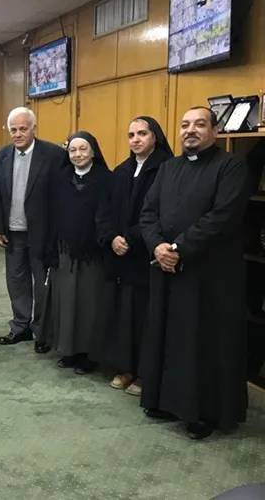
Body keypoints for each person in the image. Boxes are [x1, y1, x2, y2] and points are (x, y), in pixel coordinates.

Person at [139, 106, 251, 440]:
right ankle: (164, 400)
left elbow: (222, 217)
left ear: (215, 131)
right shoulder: (168, 167)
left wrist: (177, 248)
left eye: (200, 124)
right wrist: (157, 246)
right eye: (185, 124)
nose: (191, 130)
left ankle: (203, 412)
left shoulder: (232, 166)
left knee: (201, 341)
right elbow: (148, 213)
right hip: (166, 268)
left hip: (210, 273)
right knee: (167, 336)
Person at [90, 116, 173, 395]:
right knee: (124, 315)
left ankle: (145, 372)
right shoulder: (121, 170)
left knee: (146, 317)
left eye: (142, 134)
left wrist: (131, 238)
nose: (136, 139)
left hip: (146, 256)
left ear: (155, 137)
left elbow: (162, 213)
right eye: (131, 135)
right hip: (120, 257)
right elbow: (103, 211)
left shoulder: (166, 168)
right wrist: (112, 237)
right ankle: (125, 367)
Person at [37, 131, 111, 374]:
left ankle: (90, 354)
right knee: (65, 303)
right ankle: (69, 350)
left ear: (93, 152)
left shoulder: (106, 179)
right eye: (73, 150)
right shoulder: (59, 179)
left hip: (92, 254)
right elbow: (49, 214)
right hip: (64, 252)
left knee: (90, 304)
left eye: (83, 149)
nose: (78, 154)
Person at [0, 106, 64, 350]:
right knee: (16, 280)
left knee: (42, 283)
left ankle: (42, 331)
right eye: (13, 129)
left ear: (34, 128)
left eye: (23, 129)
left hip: (43, 232)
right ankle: (20, 327)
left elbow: (59, 196)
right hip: (12, 232)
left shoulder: (53, 155)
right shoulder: (0, 156)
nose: (18, 134)